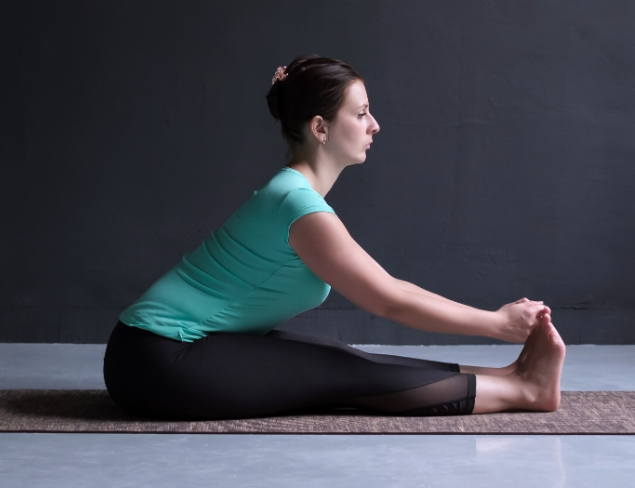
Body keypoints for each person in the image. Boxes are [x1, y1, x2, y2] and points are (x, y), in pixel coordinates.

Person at [104, 55, 566, 419]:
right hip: (157, 359)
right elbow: (389, 301)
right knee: (339, 372)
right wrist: (495, 323)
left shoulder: (293, 195)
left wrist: (497, 327)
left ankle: (511, 377)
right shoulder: (296, 205)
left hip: (161, 349)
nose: (374, 124)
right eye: (360, 113)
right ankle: (524, 390)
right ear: (320, 128)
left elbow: (392, 291)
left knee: (336, 355)